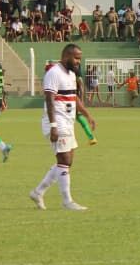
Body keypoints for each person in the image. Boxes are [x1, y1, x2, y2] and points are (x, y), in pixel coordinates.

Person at [29, 44, 95, 211]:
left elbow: (73, 98)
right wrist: (53, 126)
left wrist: (87, 114)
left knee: (66, 161)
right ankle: (67, 201)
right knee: (64, 160)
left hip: (68, 121)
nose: (79, 61)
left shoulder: (71, 74)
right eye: (76, 58)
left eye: (80, 58)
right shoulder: (54, 73)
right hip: (56, 121)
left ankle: (38, 192)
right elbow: (49, 100)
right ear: (66, 56)